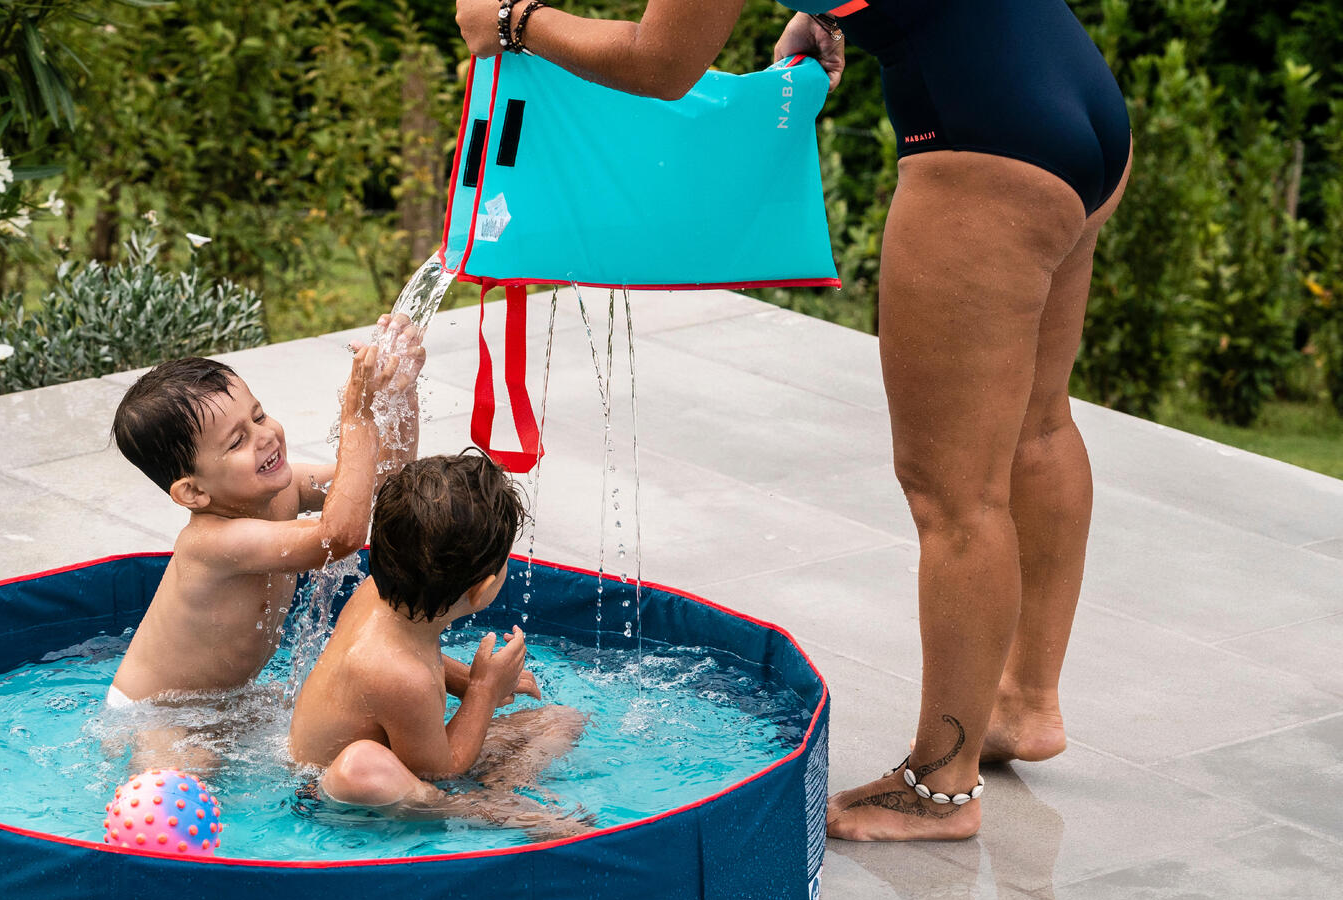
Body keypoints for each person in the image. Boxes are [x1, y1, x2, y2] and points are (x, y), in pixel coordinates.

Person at [456, 0, 1131, 842]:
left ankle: (941, 784)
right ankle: (1026, 705)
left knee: (954, 494)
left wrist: (515, 21)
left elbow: (658, 63)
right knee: (1038, 427)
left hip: (986, 145)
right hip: (1074, 93)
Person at [103, 314, 424, 768]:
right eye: (237, 441)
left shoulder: (283, 489)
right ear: (193, 492)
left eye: (258, 415)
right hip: (153, 717)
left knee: (323, 722)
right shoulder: (212, 543)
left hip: (228, 701)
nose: (265, 436)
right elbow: (341, 536)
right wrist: (357, 419)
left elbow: (385, 481)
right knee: (182, 787)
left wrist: (399, 395)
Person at [289, 452, 591, 841]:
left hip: (403, 770)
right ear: (481, 590)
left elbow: (413, 659)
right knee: (362, 767)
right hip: (330, 797)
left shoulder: (376, 595)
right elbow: (444, 770)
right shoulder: (402, 680)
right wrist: (484, 692)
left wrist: (468, 680)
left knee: (560, 720)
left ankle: (499, 787)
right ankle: (490, 810)